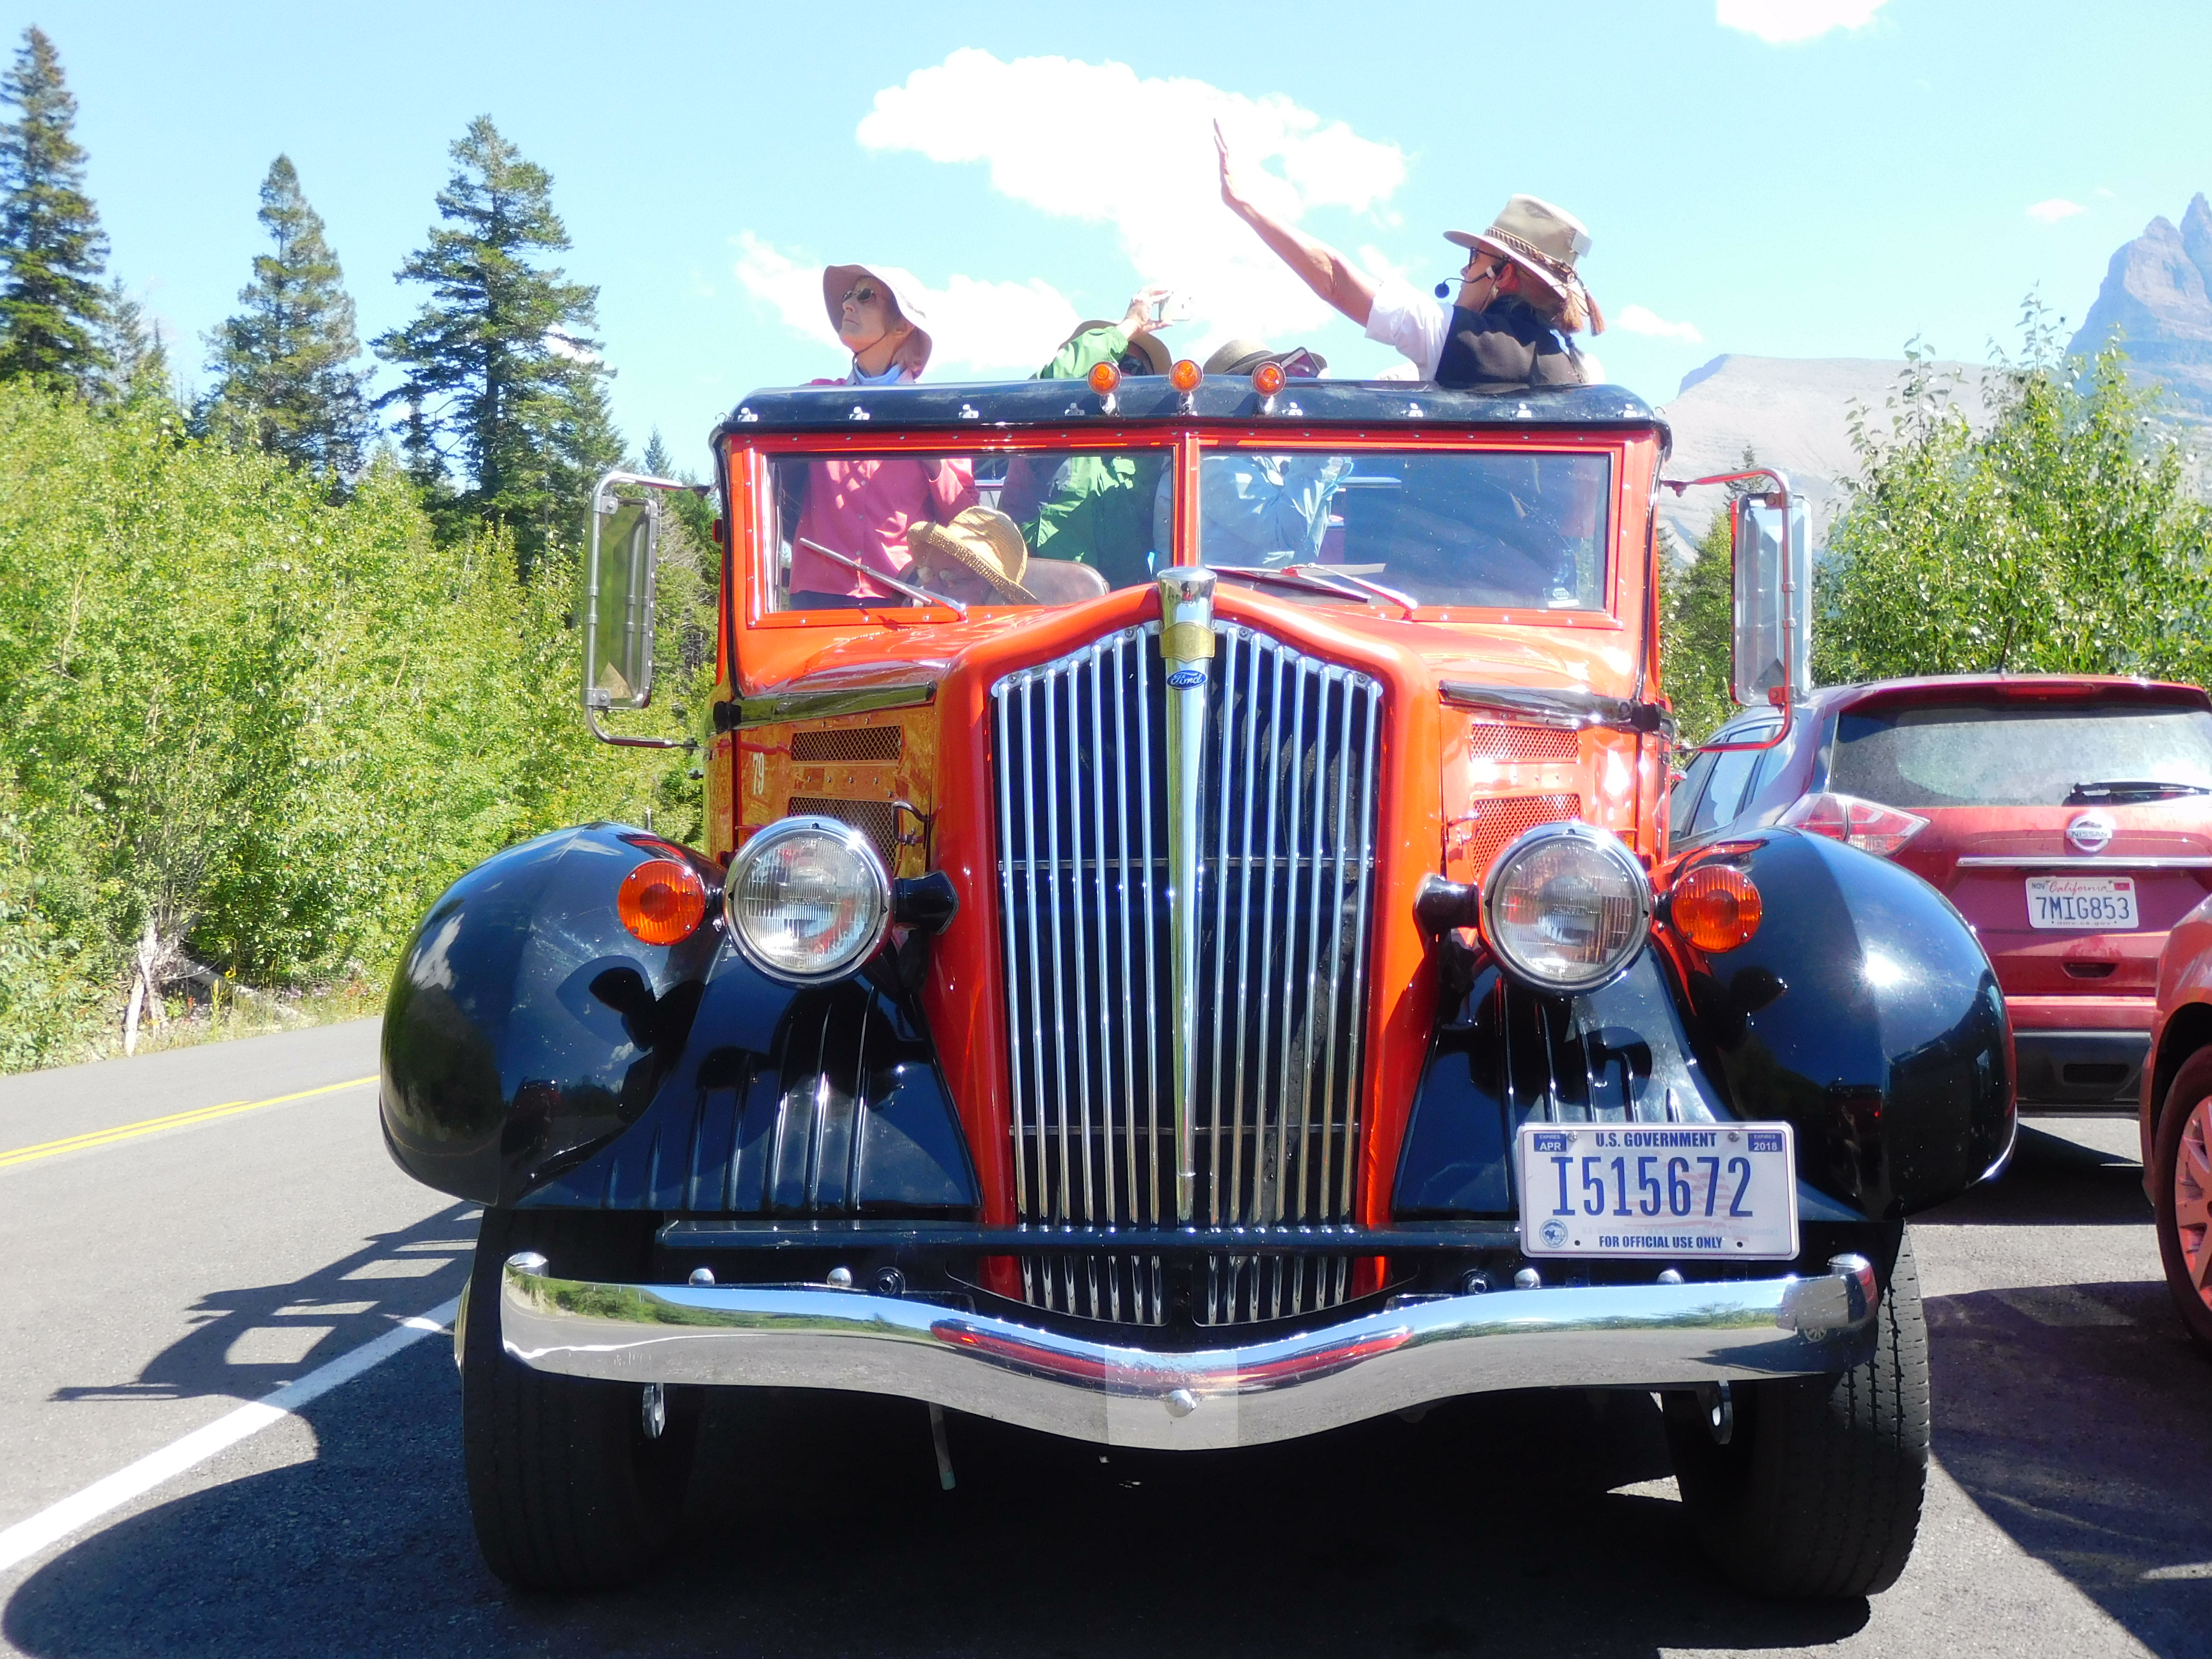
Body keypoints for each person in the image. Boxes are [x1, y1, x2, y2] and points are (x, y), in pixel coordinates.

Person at [1214, 122, 1603, 388]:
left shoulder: (1455, 337)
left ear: (1502, 276)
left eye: (1475, 259)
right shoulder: (1583, 373)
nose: (1464, 270)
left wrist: (1245, 206)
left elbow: (1335, 279)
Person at [786, 263, 976, 606]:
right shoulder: (812, 401)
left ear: (903, 325)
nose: (848, 304)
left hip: (905, 600)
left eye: (865, 296)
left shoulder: (939, 415)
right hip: (817, 603)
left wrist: (933, 461)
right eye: (848, 296)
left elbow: (966, 523)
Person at [996, 288, 1177, 590]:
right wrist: (1127, 328)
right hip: (1037, 605)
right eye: (1111, 361)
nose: (1119, 374)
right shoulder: (1049, 423)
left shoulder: (1155, 454)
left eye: (1135, 369)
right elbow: (1046, 389)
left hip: (1123, 615)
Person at [1152, 339, 1349, 565]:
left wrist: (1321, 450)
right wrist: (1312, 449)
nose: (1278, 396)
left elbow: (1303, 555)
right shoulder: (1211, 462)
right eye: (1266, 385)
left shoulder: (1256, 459)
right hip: (1217, 599)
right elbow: (1287, 534)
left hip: (1259, 594)